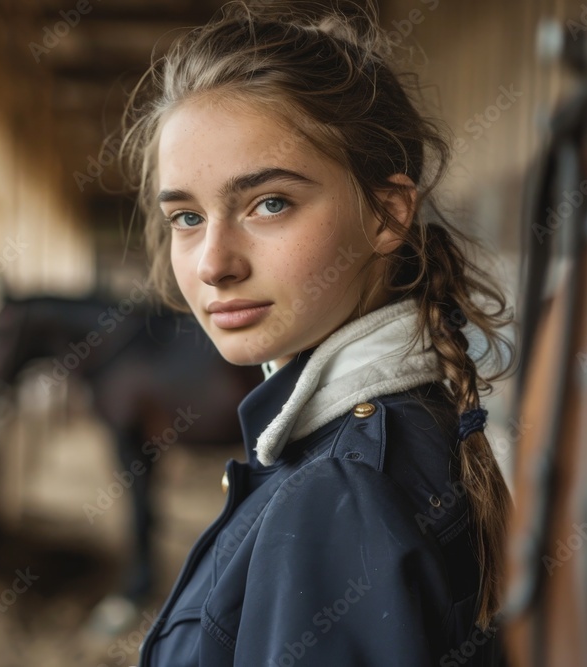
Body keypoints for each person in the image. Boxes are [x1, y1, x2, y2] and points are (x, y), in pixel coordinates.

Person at [116, 1, 514, 664]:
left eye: (269, 203)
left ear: (386, 215)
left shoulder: (340, 493)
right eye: (186, 217)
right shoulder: (395, 433)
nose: (214, 263)